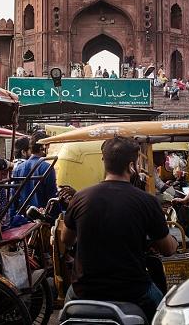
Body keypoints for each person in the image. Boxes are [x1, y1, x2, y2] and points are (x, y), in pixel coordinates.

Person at [60, 136, 177, 320]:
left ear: (104, 161)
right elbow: (168, 249)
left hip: (83, 290)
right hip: (133, 291)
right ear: (132, 165)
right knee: (165, 315)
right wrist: (174, 241)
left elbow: (66, 239)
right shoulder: (147, 201)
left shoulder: (80, 198)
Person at [10, 131, 58, 221]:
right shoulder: (47, 167)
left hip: (23, 219)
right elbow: (52, 197)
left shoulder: (18, 168)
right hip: (41, 218)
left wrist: (12, 218)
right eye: (47, 146)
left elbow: (14, 197)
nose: (49, 149)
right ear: (41, 148)